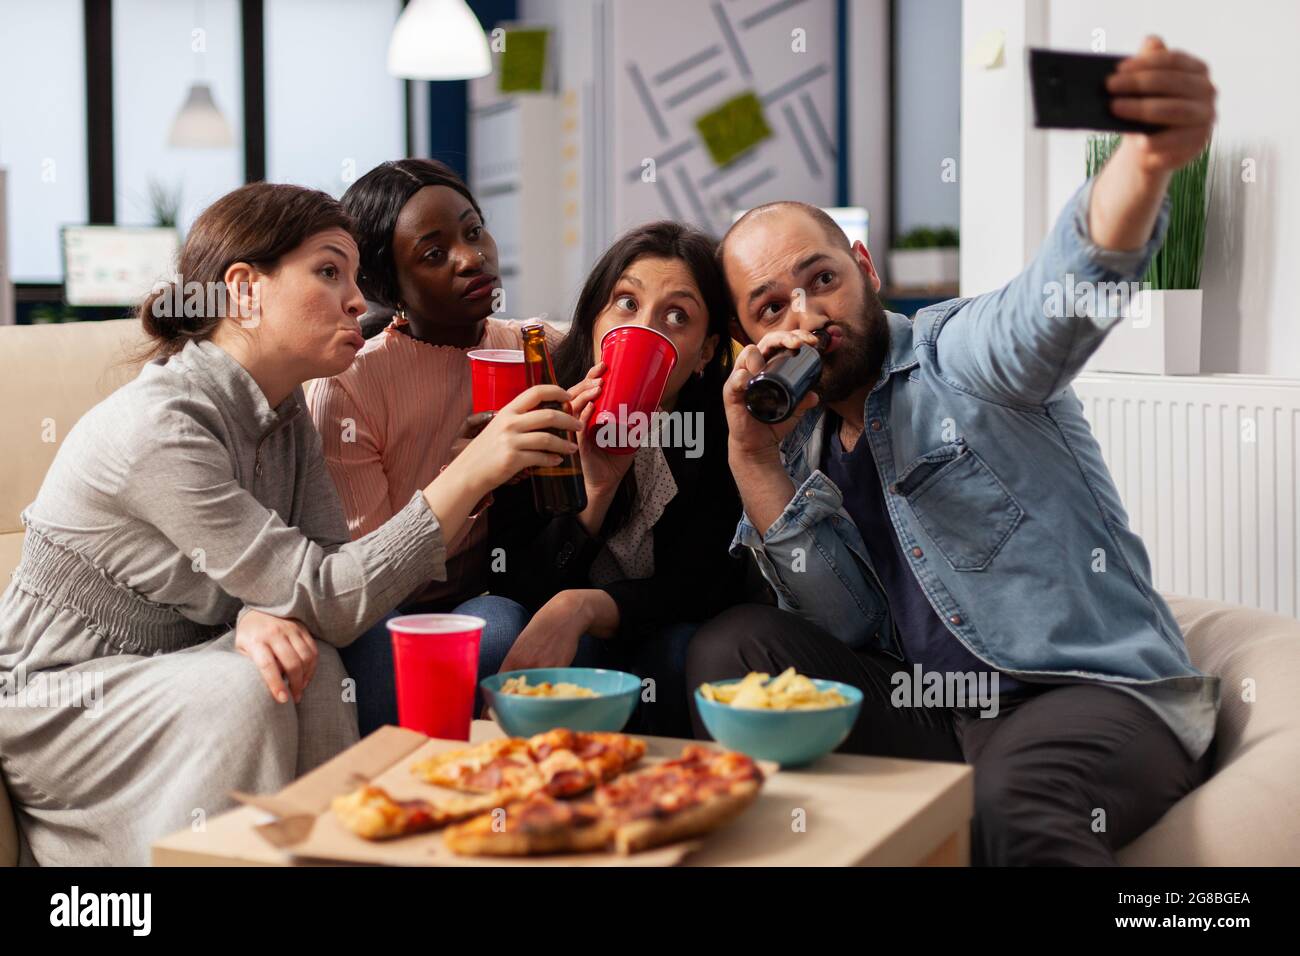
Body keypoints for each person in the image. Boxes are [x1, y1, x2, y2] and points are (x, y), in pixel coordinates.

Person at [691, 36, 1220, 864]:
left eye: (821, 278)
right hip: (935, 707)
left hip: (1082, 695)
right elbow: (851, 626)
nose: (806, 315)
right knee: (731, 648)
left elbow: (1055, 304)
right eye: (770, 307)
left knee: (1011, 797)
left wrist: (1146, 162)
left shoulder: (961, 355)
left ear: (862, 269)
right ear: (745, 339)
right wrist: (754, 461)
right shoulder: (799, 438)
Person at [0, 182, 579, 865]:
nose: (359, 302)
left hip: (178, 664)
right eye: (329, 272)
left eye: (356, 278)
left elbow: (327, 597)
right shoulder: (161, 427)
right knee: (252, 683)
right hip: (65, 696)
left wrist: (254, 611)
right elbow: (329, 597)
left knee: (313, 664)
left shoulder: (282, 414)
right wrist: (471, 472)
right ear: (244, 291)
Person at [307, 159, 565, 733]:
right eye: (433, 253)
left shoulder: (539, 346)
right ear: (383, 285)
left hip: (491, 593)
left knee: (496, 624)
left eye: (473, 231)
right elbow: (365, 579)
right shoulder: (350, 385)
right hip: (382, 602)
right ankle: (389, 796)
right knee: (383, 643)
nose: (472, 257)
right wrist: (462, 473)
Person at [484, 221, 762, 737]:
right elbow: (511, 580)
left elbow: (704, 589)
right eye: (627, 303)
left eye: (677, 316)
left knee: (681, 651)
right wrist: (595, 487)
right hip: (559, 633)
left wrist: (586, 606)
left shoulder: (724, 428)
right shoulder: (542, 405)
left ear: (705, 352)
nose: (648, 328)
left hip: (655, 631)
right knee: (502, 623)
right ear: (593, 319)